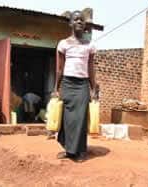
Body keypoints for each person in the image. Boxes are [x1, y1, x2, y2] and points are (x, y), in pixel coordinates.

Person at [55, 10, 98, 161]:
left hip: (82, 85)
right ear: (71, 23)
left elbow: (91, 68)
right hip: (67, 83)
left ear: (85, 25)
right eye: (76, 19)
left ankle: (79, 151)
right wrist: (56, 88)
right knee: (67, 119)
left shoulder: (90, 45)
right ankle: (68, 150)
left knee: (80, 118)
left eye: (82, 20)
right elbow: (60, 68)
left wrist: (94, 89)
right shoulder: (63, 44)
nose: (79, 22)